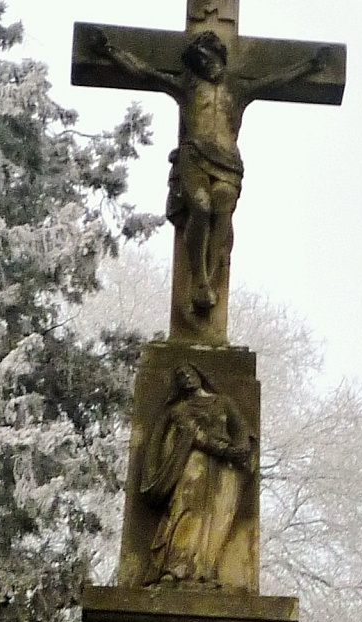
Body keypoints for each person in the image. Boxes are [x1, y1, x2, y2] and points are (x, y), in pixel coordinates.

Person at [92, 29, 329, 319]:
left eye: (210, 61)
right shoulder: (188, 88)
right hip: (195, 157)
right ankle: (200, 279)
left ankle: (210, 277)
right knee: (201, 208)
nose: (207, 67)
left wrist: (308, 66)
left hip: (228, 162)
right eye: (201, 63)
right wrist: (110, 52)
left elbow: (275, 80)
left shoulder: (237, 89)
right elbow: (147, 73)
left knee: (222, 207)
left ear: (220, 59)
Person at [139, 365, 254, 586]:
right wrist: (226, 450)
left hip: (225, 470)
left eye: (190, 373)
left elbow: (241, 430)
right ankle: (175, 567)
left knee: (219, 515)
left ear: (200, 375)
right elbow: (195, 435)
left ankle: (205, 570)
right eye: (181, 376)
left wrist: (242, 449)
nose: (186, 378)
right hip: (194, 463)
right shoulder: (179, 409)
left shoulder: (223, 402)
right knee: (186, 509)